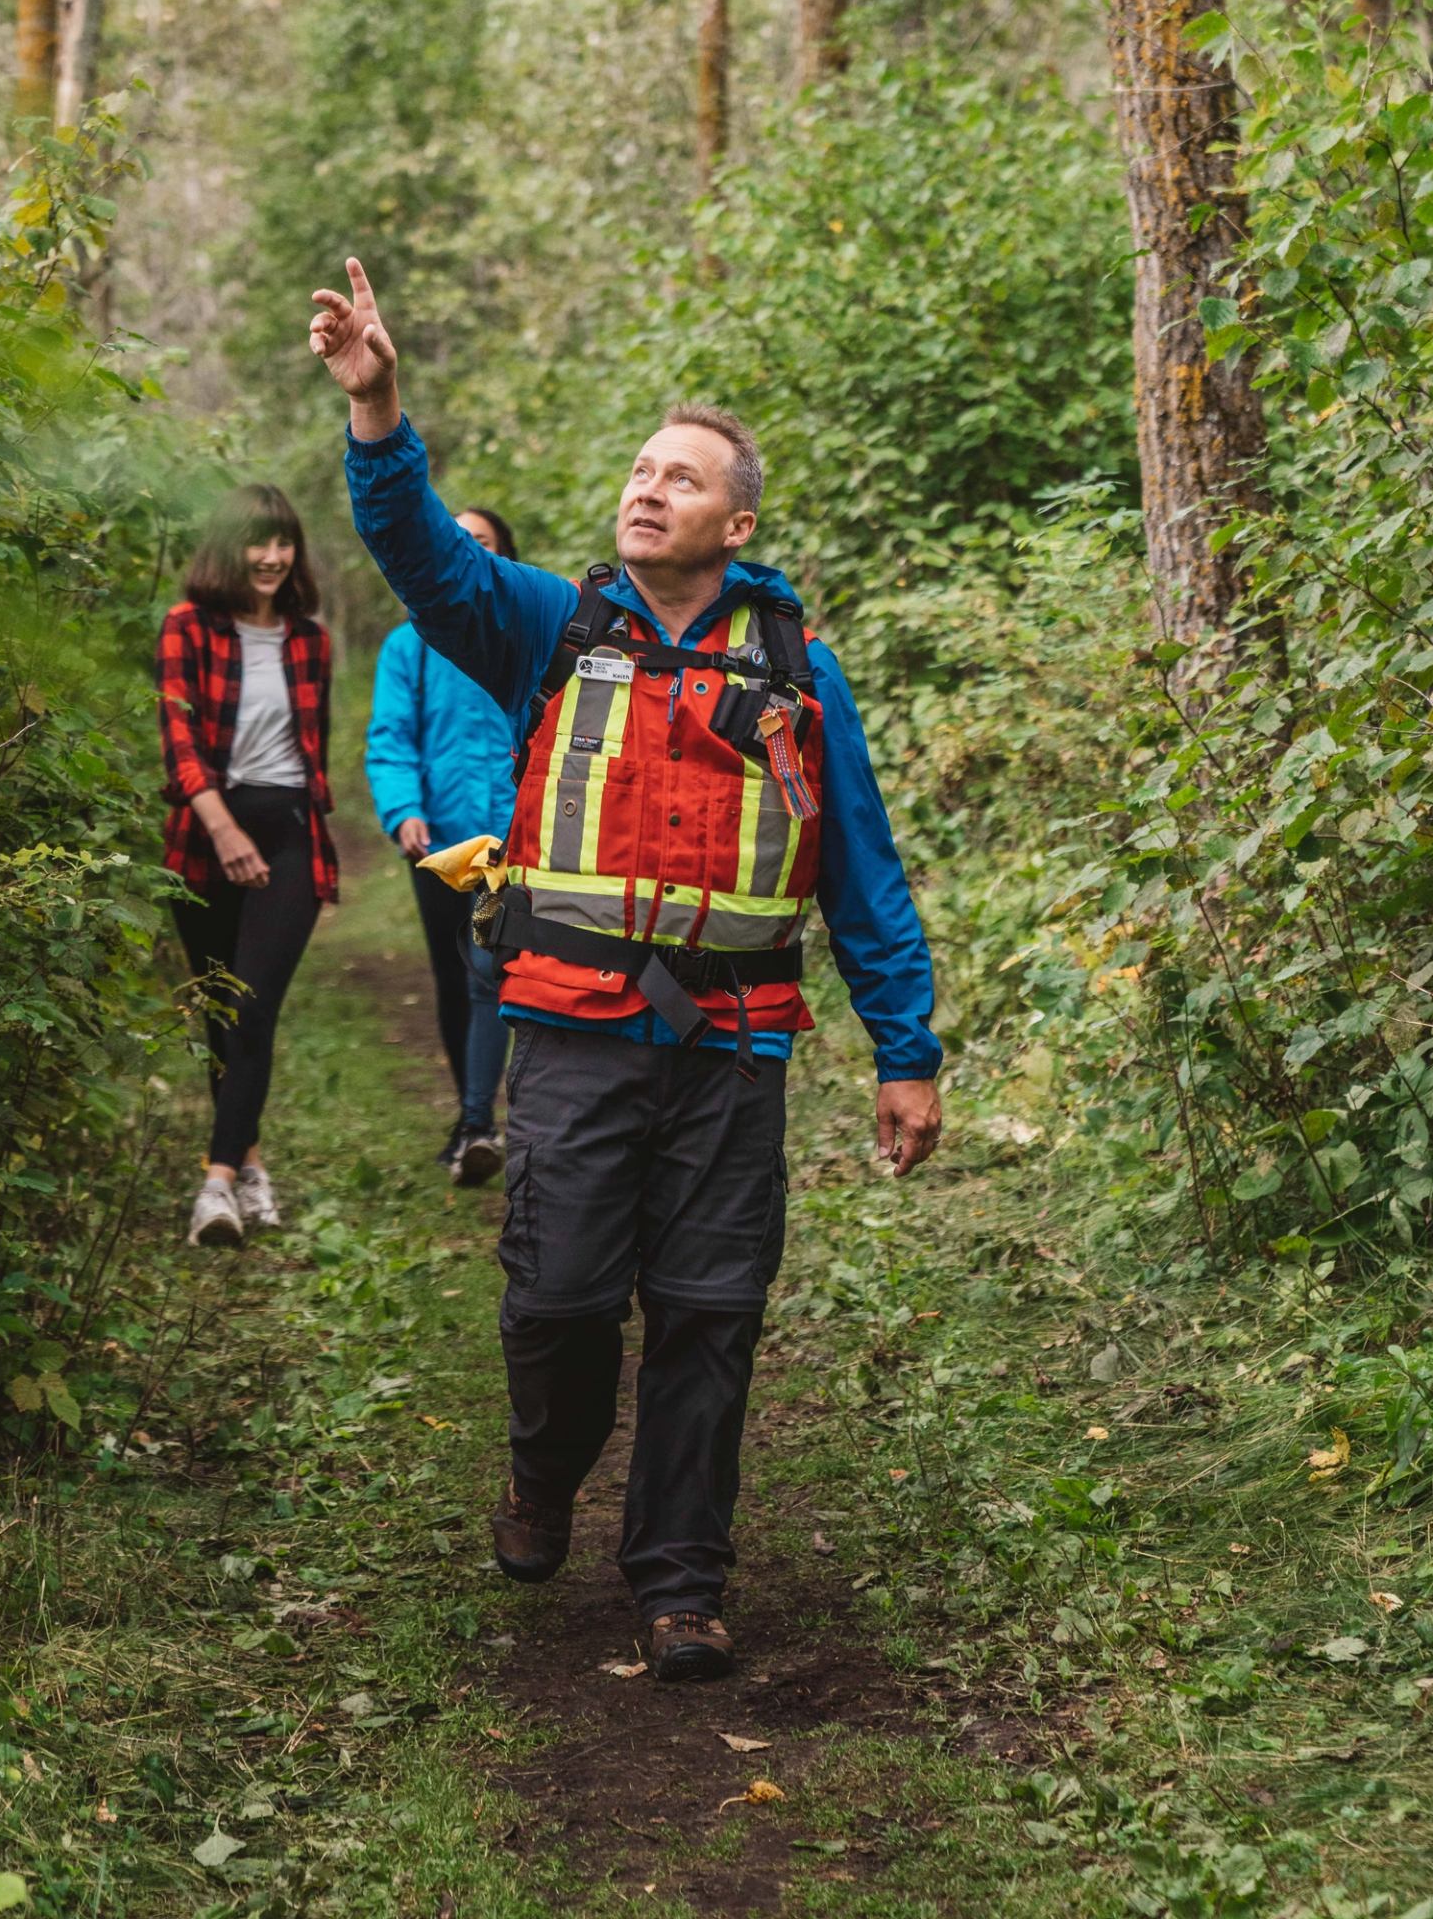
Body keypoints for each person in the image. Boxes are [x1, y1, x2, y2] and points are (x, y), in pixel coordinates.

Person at [310, 257, 942, 1685]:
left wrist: (907, 1052)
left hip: (733, 1046)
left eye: (682, 475)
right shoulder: (550, 624)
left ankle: (680, 1580)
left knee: (713, 1313)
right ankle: (546, 1473)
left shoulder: (800, 672)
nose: (648, 487)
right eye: (640, 468)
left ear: (738, 520)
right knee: (559, 1302)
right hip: (575, 1033)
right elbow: (424, 558)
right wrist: (378, 409)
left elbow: (864, 875)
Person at [156, 483, 337, 1245]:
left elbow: (310, 747)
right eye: (256, 542)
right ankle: (252, 1164)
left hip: (290, 829)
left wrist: (269, 832)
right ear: (228, 546)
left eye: (282, 542)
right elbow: (180, 740)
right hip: (206, 832)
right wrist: (225, 832)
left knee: (254, 1006)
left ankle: (217, 1185)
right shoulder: (187, 626)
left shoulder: (311, 639)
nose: (270, 557)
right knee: (222, 1015)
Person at [366, 505, 520, 1189]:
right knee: (460, 978)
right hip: (439, 846)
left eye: (481, 542)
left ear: (502, 556)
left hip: (521, 842)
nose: (468, 551)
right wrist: (403, 810)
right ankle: (475, 1122)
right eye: (457, 541)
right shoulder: (409, 646)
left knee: (500, 975)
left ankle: (487, 1120)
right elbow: (391, 737)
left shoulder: (525, 634)